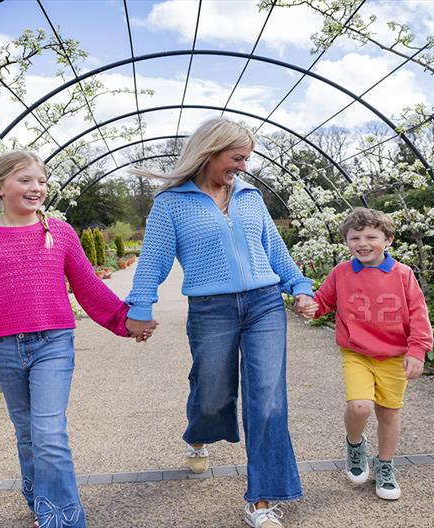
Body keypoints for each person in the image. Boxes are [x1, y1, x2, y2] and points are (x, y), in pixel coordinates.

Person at [125, 118, 317, 528]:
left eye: (246, 159)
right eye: (237, 158)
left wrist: (300, 286)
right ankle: (198, 434)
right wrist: (140, 305)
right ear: (209, 152)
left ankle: (262, 499)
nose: (243, 167)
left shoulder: (250, 196)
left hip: (265, 304)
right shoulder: (171, 203)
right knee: (212, 393)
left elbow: (275, 250)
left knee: (267, 400)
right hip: (211, 309)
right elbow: (154, 260)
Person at [0, 151, 157, 528]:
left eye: (41, 181)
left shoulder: (59, 233)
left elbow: (89, 286)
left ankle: (62, 518)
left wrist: (125, 321)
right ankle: (39, 498)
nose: (36, 188)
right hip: (3, 349)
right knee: (28, 434)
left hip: (53, 345)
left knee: (48, 432)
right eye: (25, 180)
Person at [298, 207, 432, 500]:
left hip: (394, 356)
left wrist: (417, 350)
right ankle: (355, 444)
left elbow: (418, 315)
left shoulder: (403, 274)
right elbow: (323, 302)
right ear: (346, 241)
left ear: (389, 240)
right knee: (360, 407)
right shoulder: (341, 272)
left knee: (388, 412)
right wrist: (310, 307)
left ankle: (385, 465)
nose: (362, 243)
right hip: (356, 353)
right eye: (354, 237)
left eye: (372, 236)